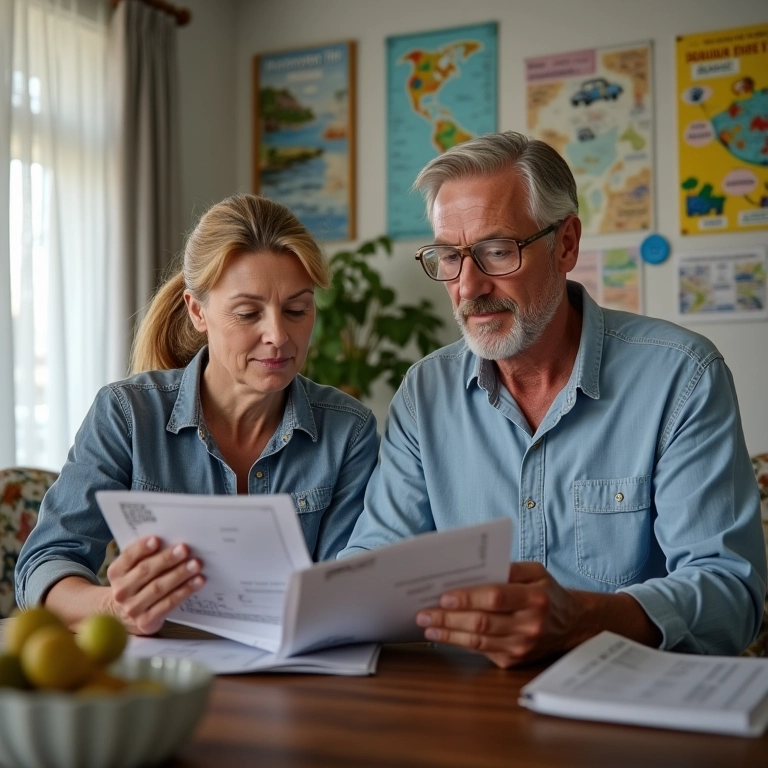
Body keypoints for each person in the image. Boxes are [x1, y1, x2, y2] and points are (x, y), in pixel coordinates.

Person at [340, 131, 766, 666]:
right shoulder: (424, 395)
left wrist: (582, 620)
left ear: (565, 244)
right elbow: (379, 564)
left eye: (497, 251)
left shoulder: (682, 377)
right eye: (449, 257)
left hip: (627, 705)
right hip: (463, 712)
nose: (468, 287)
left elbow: (730, 595)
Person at [16, 194, 379, 635]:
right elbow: (43, 566)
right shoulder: (126, 415)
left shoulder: (349, 431)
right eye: (248, 313)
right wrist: (116, 607)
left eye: (297, 310)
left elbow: (343, 589)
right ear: (197, 311)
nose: (279, 336)